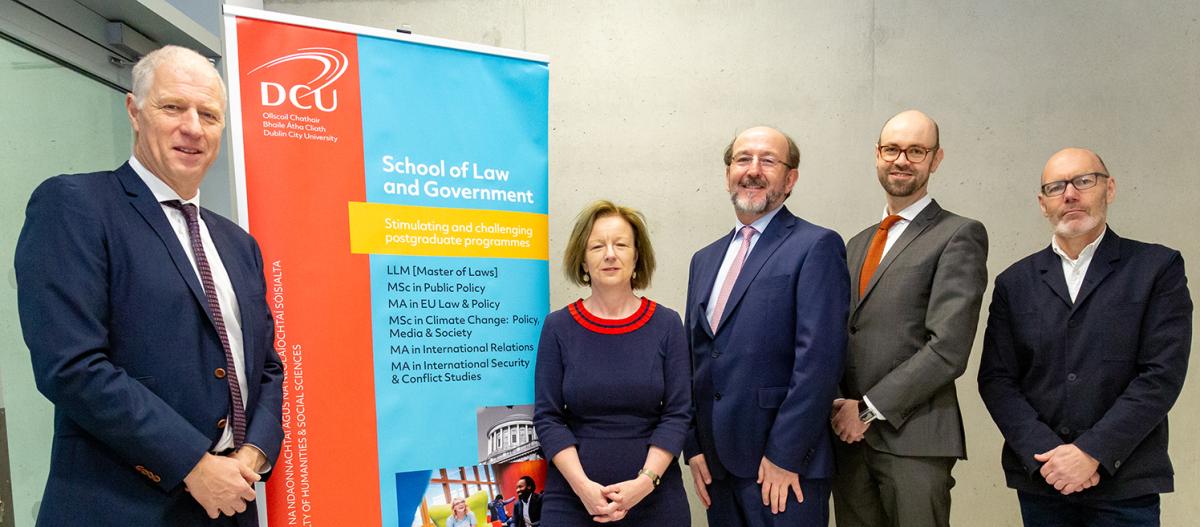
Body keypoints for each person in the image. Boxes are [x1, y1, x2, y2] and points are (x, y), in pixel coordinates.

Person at [14, 45, 283, 526]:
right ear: (134, 111)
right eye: (173, 107)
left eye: (209, 115)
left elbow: (266, 369)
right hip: (120, 506)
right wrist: (194, 465)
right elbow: (71, 365)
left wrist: (253, 456)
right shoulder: (76, 206)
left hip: (230, 505)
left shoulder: (240, 244)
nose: (193, 128)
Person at [978, 148, 1192, 526]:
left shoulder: (1157, 268)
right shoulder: (1014, 282)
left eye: (1083, 181)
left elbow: (1161, 375)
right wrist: (1049, 456)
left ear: (1109, 188)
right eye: (1056, 187)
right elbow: (997, 380)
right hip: (1044, 481)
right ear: (1043, 204)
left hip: (1125, 481)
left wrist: (1091, 452)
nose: (1070, 194)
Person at [830, 110, 988, 527]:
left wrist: (867, 410)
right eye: (892, 149)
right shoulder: (856, 244)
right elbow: (841, 333)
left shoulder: (958, 234)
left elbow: (948, 348)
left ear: (935, 159)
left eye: (916, 151)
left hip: (914, 440)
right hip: (849, 442)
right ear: (877, 155)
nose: (901, 160)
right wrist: (840, 405)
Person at [684, 126, 849, 526]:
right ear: (728, 174)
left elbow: (820, 362)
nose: (753, 170)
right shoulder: (703, 259)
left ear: (790, 179)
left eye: (768, 160)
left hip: (782, 469)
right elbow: (694, 359)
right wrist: (693, 446)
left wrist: (784, 455)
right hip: (717, 467)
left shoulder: (816, 246)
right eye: (743, 159)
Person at [534, 201, 692, 526]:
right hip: (572, 500)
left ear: (636, 257)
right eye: (597, 246)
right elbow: (548, 417)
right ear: (583, 259)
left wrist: (644, 483)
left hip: (654, 498)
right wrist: (583, 489)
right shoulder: (557, 327)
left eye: (620, 245)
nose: (609, 254)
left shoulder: (666, 324)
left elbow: (678, 413)